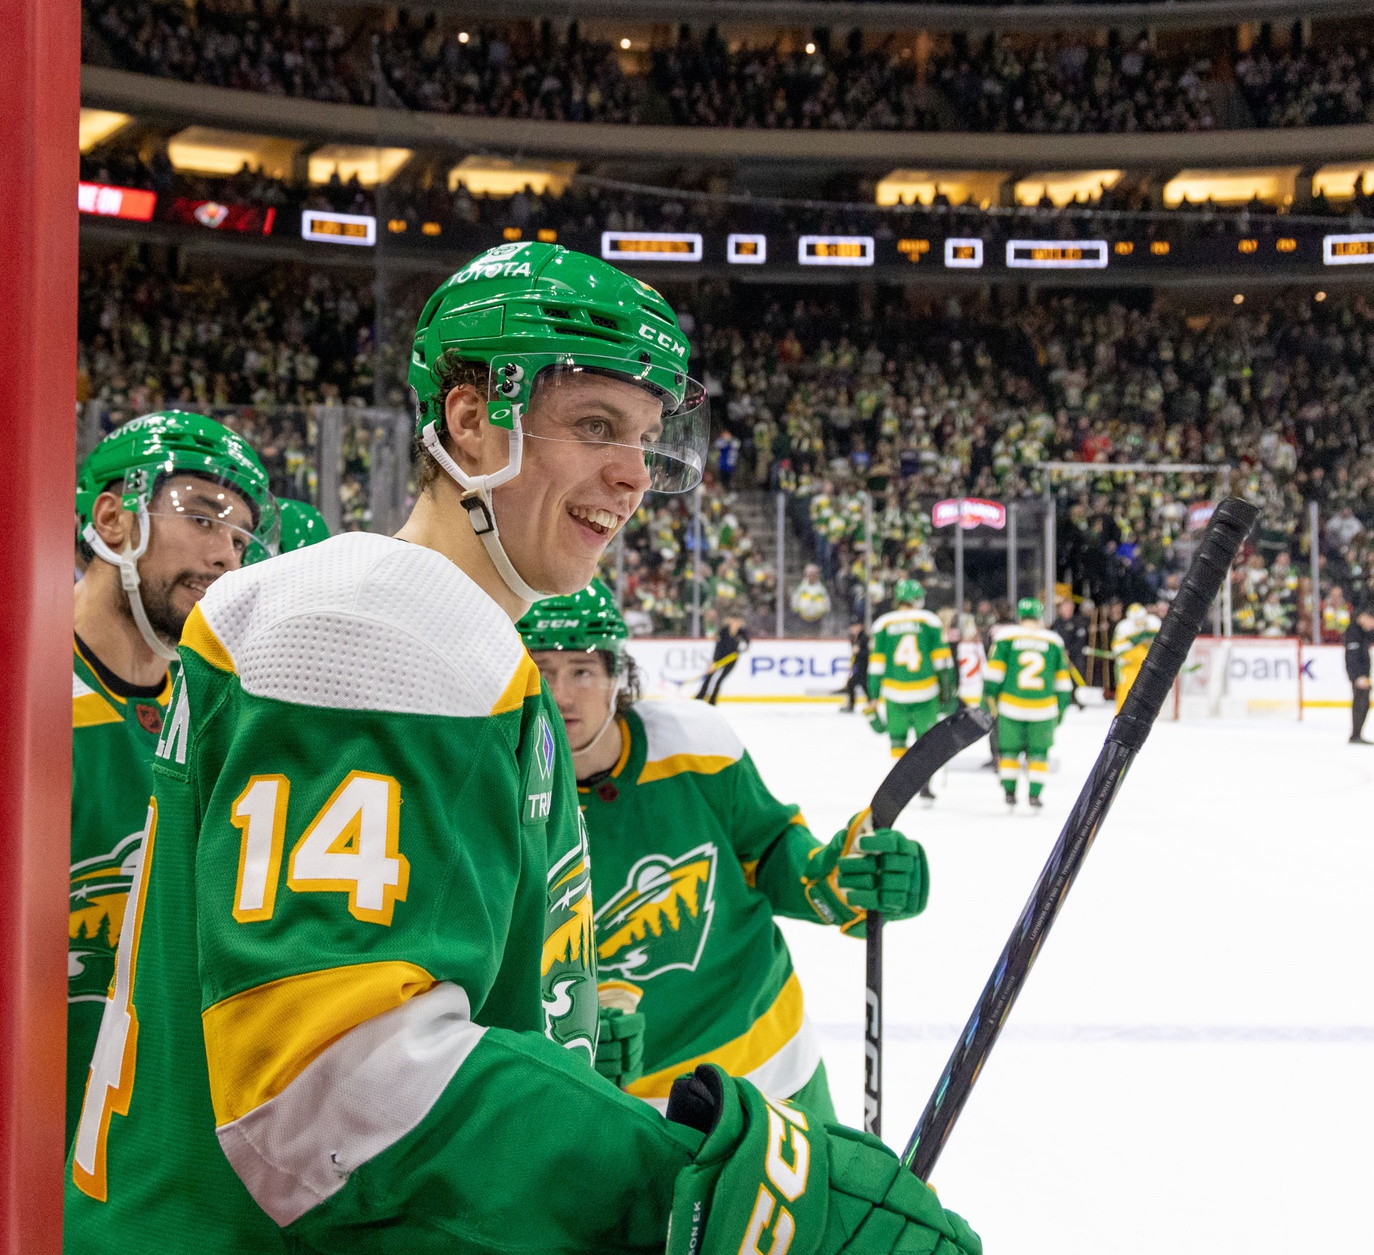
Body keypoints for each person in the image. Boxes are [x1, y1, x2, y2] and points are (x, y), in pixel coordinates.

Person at [65, 242, 978, 1255]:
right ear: (471, 417)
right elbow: (328, 1087)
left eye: (645, 439)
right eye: (595, 427)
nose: (633, 476)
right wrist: (688, 1187)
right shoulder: (373, 629)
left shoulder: (453, 641)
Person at [520, 582, 928, 1126]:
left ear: (617, 677)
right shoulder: (494, 791)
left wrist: (837, 882)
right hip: (622, 1118)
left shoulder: (695, 745)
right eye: (542, 672)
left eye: (582, 670)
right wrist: (565, 1035)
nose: (562, 695)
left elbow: (772, 851)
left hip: (772, 1075)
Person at [67, 412, 277, 1149]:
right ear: (113, 517)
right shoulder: (30, 698)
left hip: (141, 1147)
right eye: (203, 516)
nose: (225, 554)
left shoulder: (222, 709)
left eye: (241, 537)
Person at [983, 598, 1075, 810]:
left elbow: (994, 674)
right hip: (1043, 708)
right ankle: (1034, 795)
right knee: (1039, 754)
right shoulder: (1053, 641)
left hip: (1011, 706)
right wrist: (1061, 708)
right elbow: (1062, 681)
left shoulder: (1006, 637)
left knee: (1009, 752)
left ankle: (1009, 792)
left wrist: (989, 698)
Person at [867, 579, 955, 772]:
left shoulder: (882, 624)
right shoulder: (930, 621)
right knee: (926, 740)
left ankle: (900, 781)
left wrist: (873, 695)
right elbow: (943, 664)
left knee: (897, 740)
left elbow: (875, 666)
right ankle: (924, 783)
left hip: (893, 693)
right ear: (916, 599)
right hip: (926, 691)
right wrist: (948, 694)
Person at [1110, 601, 1160, 709]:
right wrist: (1132, 643)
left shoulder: (1153, 623)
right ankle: (1122, 716)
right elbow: (1117, 648)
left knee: (1149, 693)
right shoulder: (1123, 627)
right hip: (1129, 666)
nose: (1140, 622)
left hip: (1147, 665)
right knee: (1126, 692)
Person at [1344, 608, 1374, 744]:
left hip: (1363, 674)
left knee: (1365, 704)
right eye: (1371, 624)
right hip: (1359, 675)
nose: (1371, 628)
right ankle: (1355, 735)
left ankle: (1357, 734)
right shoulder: (1353, 631)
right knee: (1360, 703)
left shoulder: (1363, 632)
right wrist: (1357, 676)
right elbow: (1351, 657)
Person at [696, 613, 747, 704]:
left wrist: (742, 648)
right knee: (709, 676)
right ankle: (700, 696)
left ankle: (712, 699)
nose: (735, 624)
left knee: (719, 680)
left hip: (731, 659)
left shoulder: (742, 632)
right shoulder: (723, 631)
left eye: (737, 622)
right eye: (733, 621)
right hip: (720, 657)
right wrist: (714, 661)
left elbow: (747, 644)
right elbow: (718, 646)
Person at [792, 562, 830, 635]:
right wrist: (797, 611)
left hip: (817, 618)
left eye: (814, 574)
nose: (812, 576)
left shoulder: (821, 588)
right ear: (806, 574)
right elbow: (795, 600)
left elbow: (826, 602)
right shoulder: (800, 587)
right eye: (810, 574)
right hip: (802, 618)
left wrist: (824, 611)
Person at [843, 620, 870, 713]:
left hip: (865, 667)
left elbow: (869, 653)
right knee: (861, 685)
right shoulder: (854, 638)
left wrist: (860, 652)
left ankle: (852, 706)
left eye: (855, 626)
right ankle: (868, 703)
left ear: (861, 626)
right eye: (852, 627)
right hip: (860, 667)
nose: (853, 629)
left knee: (855, 684)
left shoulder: (864, 638)